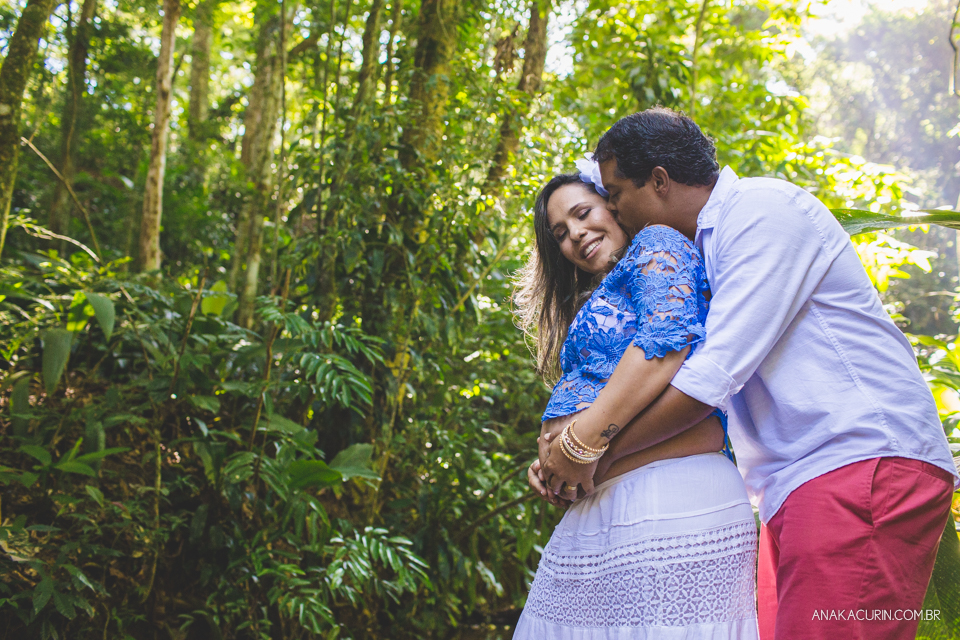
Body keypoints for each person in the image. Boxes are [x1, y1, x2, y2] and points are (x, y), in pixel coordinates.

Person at [544, 106, 957, 640]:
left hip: (859, 460)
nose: (615, 209)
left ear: (659, 181)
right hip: (795, 482)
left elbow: (709, 380)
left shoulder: (762, 212)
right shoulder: (701, 251)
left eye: (617, 193)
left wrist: (585, 453)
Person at [513, 171, 759, 639]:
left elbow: (665, 349)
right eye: (560, 233)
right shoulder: (605, 290)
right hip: (608, 502)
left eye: (582, 213)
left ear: (614, 205)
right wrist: (553, 464)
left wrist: (580, 449)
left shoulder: (656, 243)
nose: (575, 235)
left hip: (664, 496)